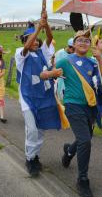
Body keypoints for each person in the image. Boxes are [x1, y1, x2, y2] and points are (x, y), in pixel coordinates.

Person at [56, 29, 102, 197]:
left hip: (91, 107)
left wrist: (100, 59)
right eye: (80, 40)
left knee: (84, 138)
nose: (83, 43)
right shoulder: (65, 61)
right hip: (72, 105)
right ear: (74, 43)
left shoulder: (93, 62)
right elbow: (49, 73)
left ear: (90, 45)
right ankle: (83, 179)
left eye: (87, 41)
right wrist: (49, 74)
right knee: (85, 140)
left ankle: (69, 152)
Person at [15, 13, 63, 177]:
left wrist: (46, 24)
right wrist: (37, 29)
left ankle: (35, 156)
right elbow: (28, 46)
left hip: (44, 96)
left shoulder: (43, 52)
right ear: (24, 40)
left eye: (37, 39)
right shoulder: (20, 52)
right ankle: (29, 158)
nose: (35, 41)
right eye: (31, 39)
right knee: (32, 130)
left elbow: (49, 37)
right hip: (28, 97)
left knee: (41, 129)